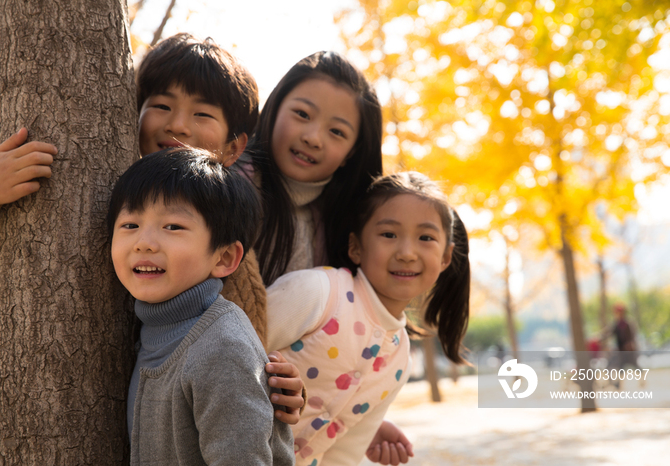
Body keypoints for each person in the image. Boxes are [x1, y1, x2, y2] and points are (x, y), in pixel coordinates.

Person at [0, 32, 304, 423]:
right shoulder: (95, 183)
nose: (178, 124)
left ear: (233, 148)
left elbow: (246, 358)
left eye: (203, 114)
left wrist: (282, 393)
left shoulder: (223, 246)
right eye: (161, 105)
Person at [265, 172, 471, 466]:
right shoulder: (318, 293)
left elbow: (343, 454)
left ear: (445, 258)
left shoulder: (400, 361)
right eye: (389, 234)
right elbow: (230, 352)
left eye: (426, 238)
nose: (407, 253)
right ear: (356, 247)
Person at [107, 147, 294, 464]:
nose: (144, 242)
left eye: (173, 227)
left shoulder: (221, 348)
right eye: (130, 225)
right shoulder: (154, 328)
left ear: (223, 258)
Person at [244, 50, 383, 286]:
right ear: (276, 107)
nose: (313, 138)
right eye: (302, 114)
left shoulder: (345, 229)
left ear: (350, 153)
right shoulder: (225, 186)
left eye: (337, 132)